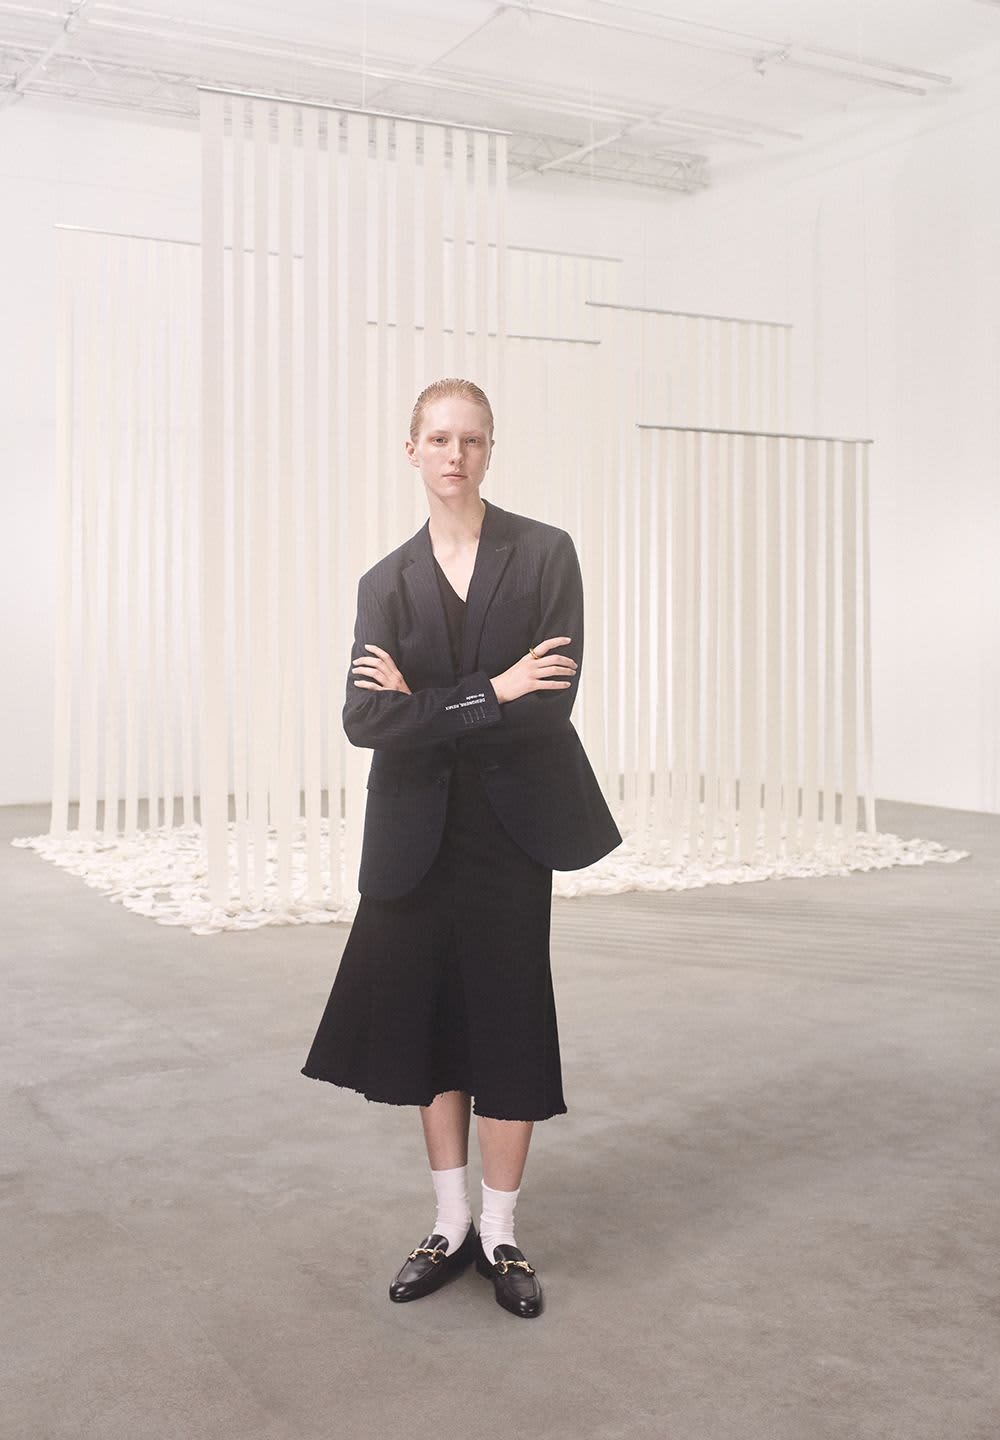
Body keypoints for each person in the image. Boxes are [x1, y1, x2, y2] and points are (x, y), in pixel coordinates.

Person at [301, 377, 622, 1318]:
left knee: (509, 1023)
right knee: (430, 1027)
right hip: (415, 833)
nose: (455, 455)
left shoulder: (544, 554)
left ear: (491, 450)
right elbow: (367, 719)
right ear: (412, 451)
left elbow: (551, 701)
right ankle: (448, 1224)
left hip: (510, 830)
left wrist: (428, 703)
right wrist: (493, 689)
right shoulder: (383, 583)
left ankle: (503, 1232)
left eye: (471, 440)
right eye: (438, 439)